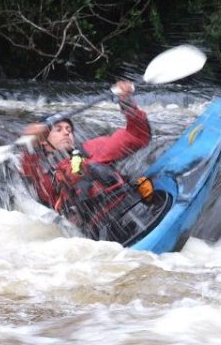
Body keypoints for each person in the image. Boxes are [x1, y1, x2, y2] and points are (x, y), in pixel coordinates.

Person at [19, 81, 162, 243]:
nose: (67, 132)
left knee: (93, 168)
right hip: (100, 237)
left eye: (69, 129)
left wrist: (126, 101)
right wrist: (30, 145)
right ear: (44, 141)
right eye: (58, 129)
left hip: (133, 213)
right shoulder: (48, 179)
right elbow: (30, 175)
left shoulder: (93, 150)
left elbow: (137, 136)